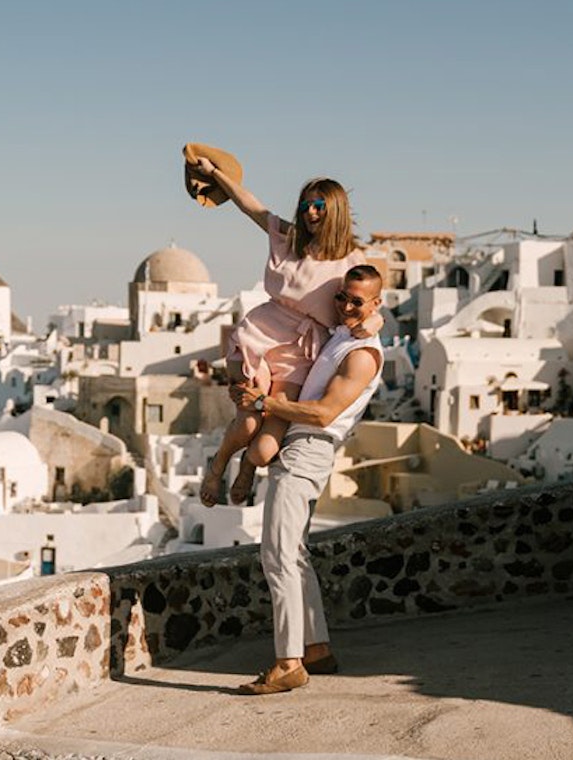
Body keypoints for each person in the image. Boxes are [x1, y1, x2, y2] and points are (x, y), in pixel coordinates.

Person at [189, 153, 380, 506]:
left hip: (301, 355)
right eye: (306, 205)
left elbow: (371, 300)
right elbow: (251, 206)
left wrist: (375, 322)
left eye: (319, 205)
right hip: (259, 336)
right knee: (247, 425)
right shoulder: (289, 239)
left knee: (263, 449)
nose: (310, 212)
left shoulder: (353, 260)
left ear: (335, 208)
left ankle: (248, 466)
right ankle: (218, 465)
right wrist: (215, 173)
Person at [229, 264, 385, 694]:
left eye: (357, 301)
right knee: (294, 553)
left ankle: (288, 662)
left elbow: (324, 413)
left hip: (309, 447)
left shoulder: (361, 354)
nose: (346, 306)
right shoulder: (343, 335)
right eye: (342, 297)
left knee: (277, 554)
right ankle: (316, 649)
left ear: (375, 304)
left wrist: (266, 402)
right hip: (303, 446)